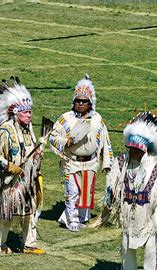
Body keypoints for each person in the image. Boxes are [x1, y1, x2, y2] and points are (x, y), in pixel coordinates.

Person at [99, 112, 157, 270]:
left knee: (151, 251)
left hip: (150, 215)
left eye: (137, 149)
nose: (133, 152)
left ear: (145, 149)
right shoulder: (121, 161)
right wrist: (108, 202)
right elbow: (112, 183)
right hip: (128, 213)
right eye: (131, 148)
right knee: (127, 248)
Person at [0, 76, 45, 255]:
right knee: (7, 213)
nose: (30, 115)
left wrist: (38, 154)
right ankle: (0, 243)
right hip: (11, 181)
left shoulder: (29, 131)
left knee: (30, 213)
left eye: (31, 112)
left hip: (28, 180)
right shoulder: (6, 131)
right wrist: (9, 166)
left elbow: (29, 152)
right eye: (25, 113)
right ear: (16, 114)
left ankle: (28, 244)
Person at [49, 74, 113, 232]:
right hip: (72, 162)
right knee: (72, 193)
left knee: (86, 192)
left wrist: (107, 163)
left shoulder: (97, 119)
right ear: (74, 102)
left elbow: (105, 141)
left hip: (91, 162)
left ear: (90, 103)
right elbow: (52, 136)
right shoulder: (66, 118)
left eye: (84, 101)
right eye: (78, 101)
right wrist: (65, 142)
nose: (81, 104)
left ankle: (82, 217)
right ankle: (71, 219)